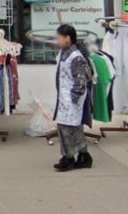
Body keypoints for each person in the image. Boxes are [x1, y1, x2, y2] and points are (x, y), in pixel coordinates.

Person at [52, 23, 92, 172]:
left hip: (72, 99)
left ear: (68, 38)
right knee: (70, 128)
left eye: (59, 38)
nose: (57, 41)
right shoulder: (64, 53)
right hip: (64, 98)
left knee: (68, 128)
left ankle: (68, 158)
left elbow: (81, 79)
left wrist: (74, 98)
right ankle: (83, 155)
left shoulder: (76, 57)